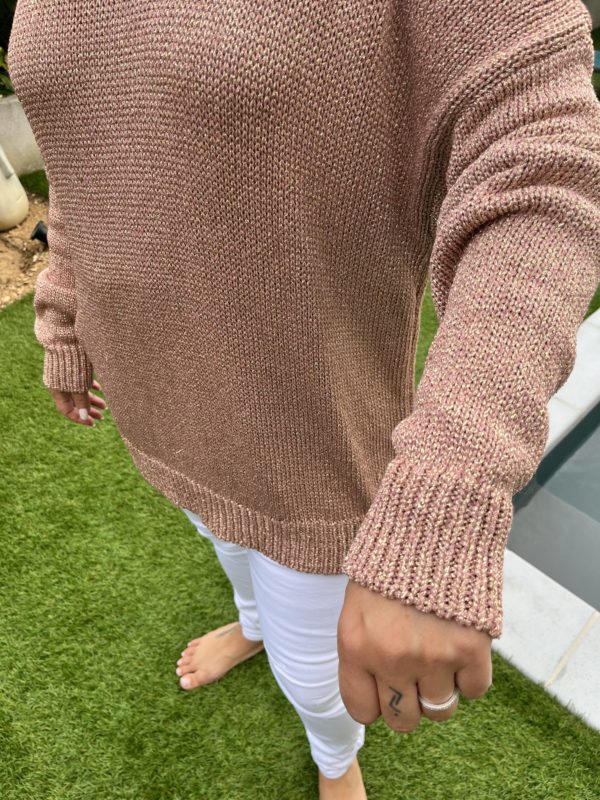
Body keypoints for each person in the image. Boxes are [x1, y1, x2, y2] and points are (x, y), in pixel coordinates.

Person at [8, 0, 600, 796]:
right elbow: (85, 162)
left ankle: (334, 761)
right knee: (223, 539)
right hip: (159, 394)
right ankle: (252, 625)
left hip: (308, 440)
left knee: (315, 673)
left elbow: (543, 164)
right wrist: (64, 318)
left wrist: (447, 488)